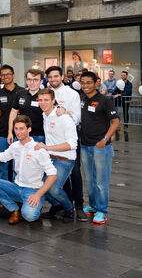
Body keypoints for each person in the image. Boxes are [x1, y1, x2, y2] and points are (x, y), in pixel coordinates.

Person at [0, 116, 58, 224]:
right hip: (16, 187)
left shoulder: (38, 149)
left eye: (21, 128)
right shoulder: (15, 146)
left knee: (29, 216)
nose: (18, 132)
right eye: (16, 128)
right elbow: (2, 157)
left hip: (33, 190)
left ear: (29, 129)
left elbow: (53, 175)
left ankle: (35, 204)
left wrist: (38, 194)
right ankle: (14, 209)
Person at [46, 66, 86, 221]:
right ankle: (64, 204)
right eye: (50, 77)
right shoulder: (46, 93)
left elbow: (78, 118)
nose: (53, 79)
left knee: (75, 173)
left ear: (61, 76)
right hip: (52, 141)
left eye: (56, 76)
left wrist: (66, 113)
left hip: (69, 139)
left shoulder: (72, 94)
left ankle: (79, 206)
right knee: (58, 175)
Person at [79, 71, 120, 225]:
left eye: (89, 82)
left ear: (96, 83)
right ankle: (94, 205)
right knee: (90, 180)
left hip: (101, 147)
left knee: (101, 182)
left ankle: (102, 210)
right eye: (82, 83)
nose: (85, 86)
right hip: (85, 146)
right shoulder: (81, 98)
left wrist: (105, 139)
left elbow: (115, 122)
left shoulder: (104, 100)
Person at [36, 88, 78, 223]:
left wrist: (47, 147)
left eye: (46, 100)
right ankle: (57, 205)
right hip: (50, 158)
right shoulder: (45, 115)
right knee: (38, 186)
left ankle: (68, 208)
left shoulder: (64, 117)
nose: (43, 103)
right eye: (40, 100)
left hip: (65, 159)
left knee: (53, 189)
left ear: (53, 101)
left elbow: (72, 144)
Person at [0, 65, 23, 180]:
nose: (5, 77)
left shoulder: (22, 92)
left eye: (8, 74)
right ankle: (3, 192)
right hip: (2, 134)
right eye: (3, 75)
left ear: (13, 75)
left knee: (17, 166)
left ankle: (16, 192)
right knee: (3, 166)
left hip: (19, 136)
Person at [8, 69, 46, 144]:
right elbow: (13, 113)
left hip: (39, 136)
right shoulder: (20, 94)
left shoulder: (45, 95)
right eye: (29, 79)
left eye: (35, 80)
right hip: (20, 135)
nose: (32, 83)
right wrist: (10, 132)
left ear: (41, 81)